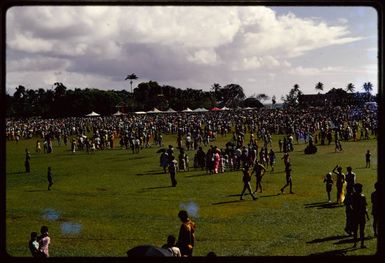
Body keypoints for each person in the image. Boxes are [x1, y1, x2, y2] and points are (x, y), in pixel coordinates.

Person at [350, 183, 369, 248]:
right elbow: (365, 207)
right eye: (360, 188)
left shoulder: (352, 196)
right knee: (361, 230)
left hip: (355, 215)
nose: (361, 189)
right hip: (361, 215)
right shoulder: (362, 196)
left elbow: (351, 206)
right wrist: (367, 214)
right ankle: (362, 244)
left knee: (355, 230)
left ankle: (355, 244)